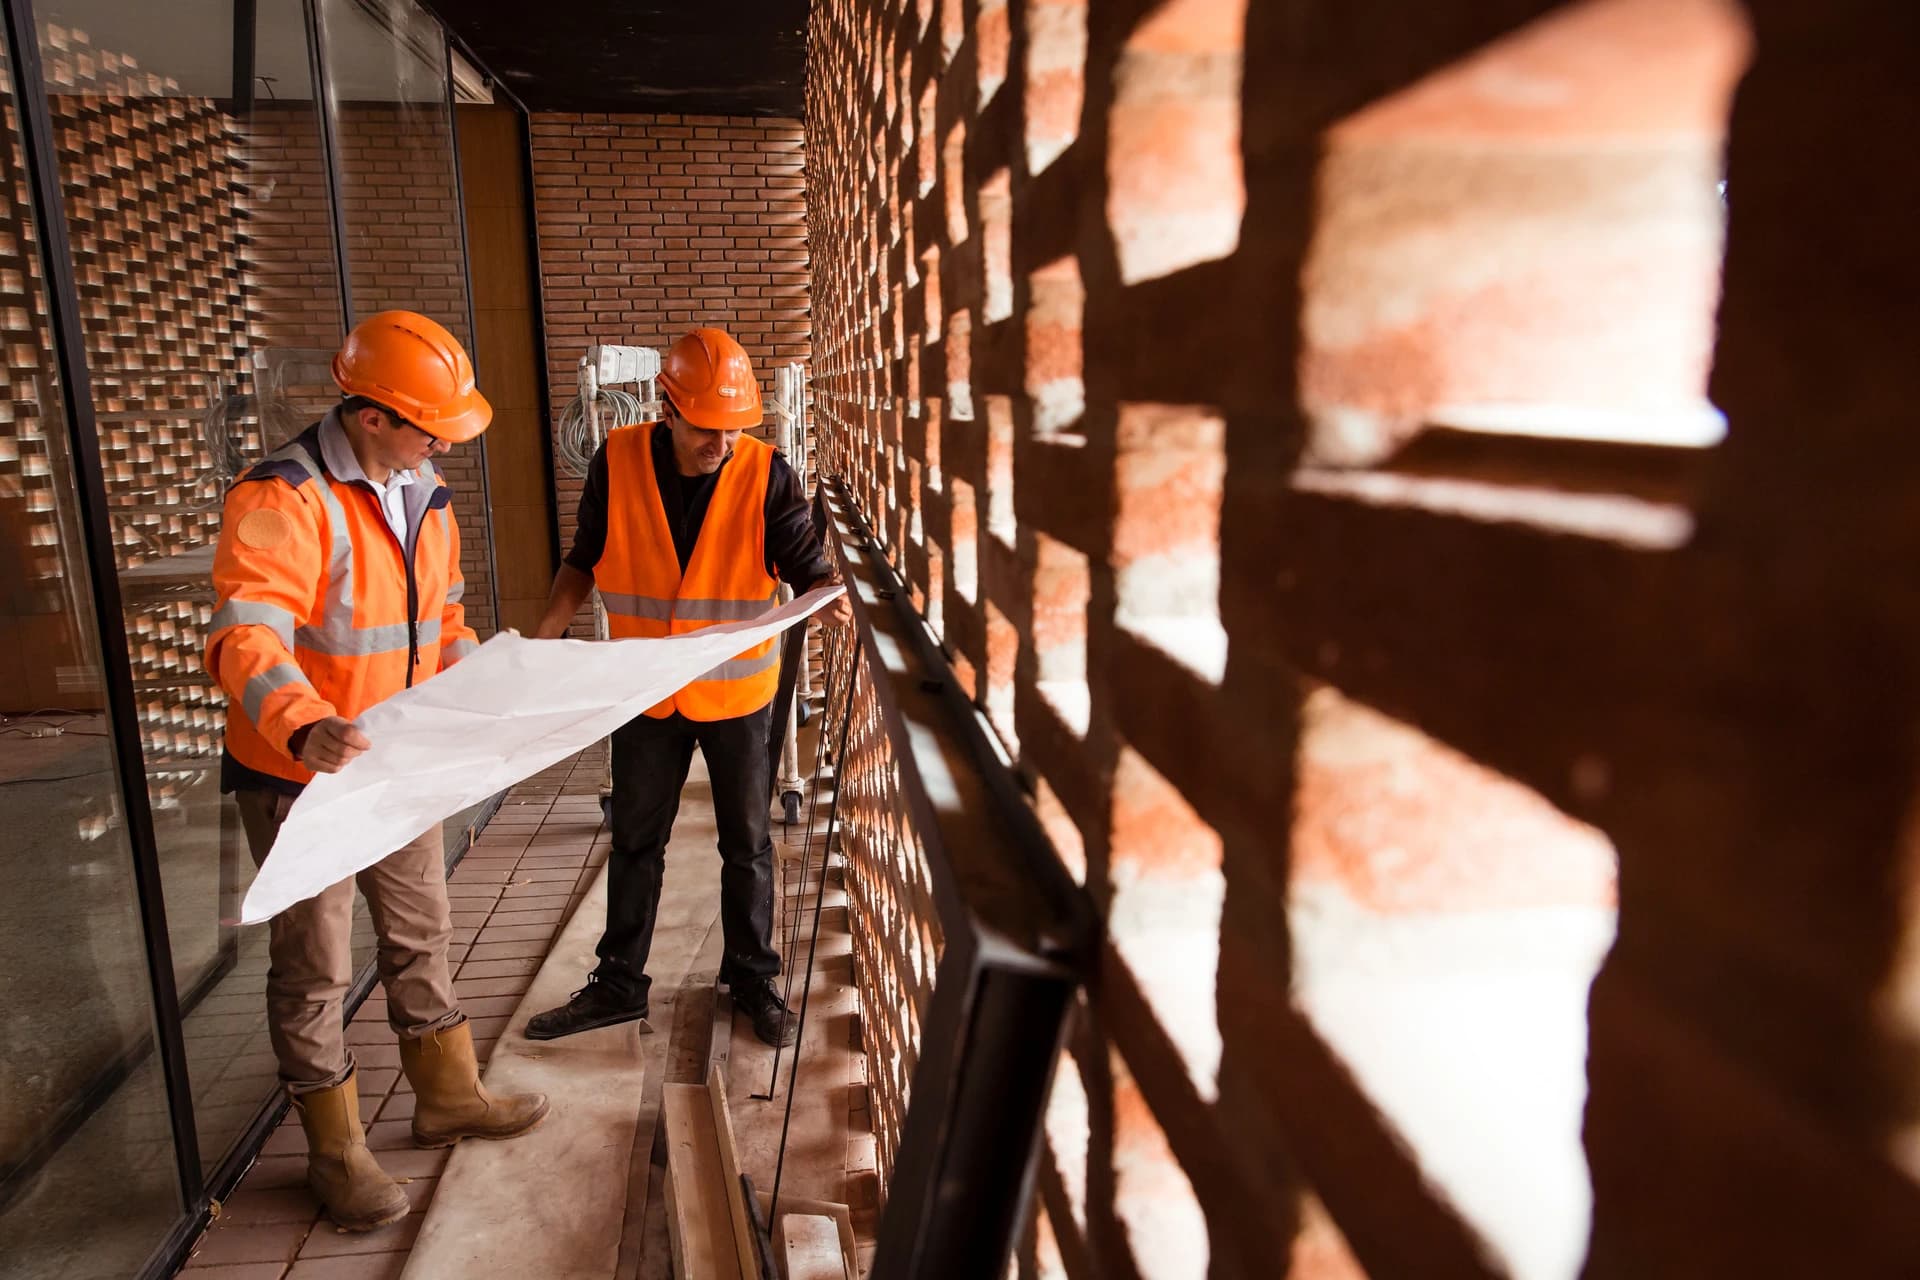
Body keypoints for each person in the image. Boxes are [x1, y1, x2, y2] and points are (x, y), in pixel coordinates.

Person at [205, 311, 548, 1232]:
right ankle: (335, 1152)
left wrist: (473, 675)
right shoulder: (283, 497)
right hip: (302, 772)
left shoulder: (422, 489)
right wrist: (302, 723)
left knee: (421, 930)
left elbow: (440, 618)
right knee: (315, 963)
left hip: (395, 762)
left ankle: (446, 1098)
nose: (441, 444)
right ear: (369, 417)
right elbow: (249, 633)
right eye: (427, 425)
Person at [525, 327, 850, 1048]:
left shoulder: (768, 473)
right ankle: (618, 985)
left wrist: (834, 594)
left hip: (736, 698)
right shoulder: (616, 462)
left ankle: (753, 979)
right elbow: (584, 559)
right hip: (647, 693)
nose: (723, 444)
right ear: (667, 409)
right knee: (637, 841)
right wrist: (541, 641)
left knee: (748, 843)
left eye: (736, 429)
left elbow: (808, 566)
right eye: (709, 429)